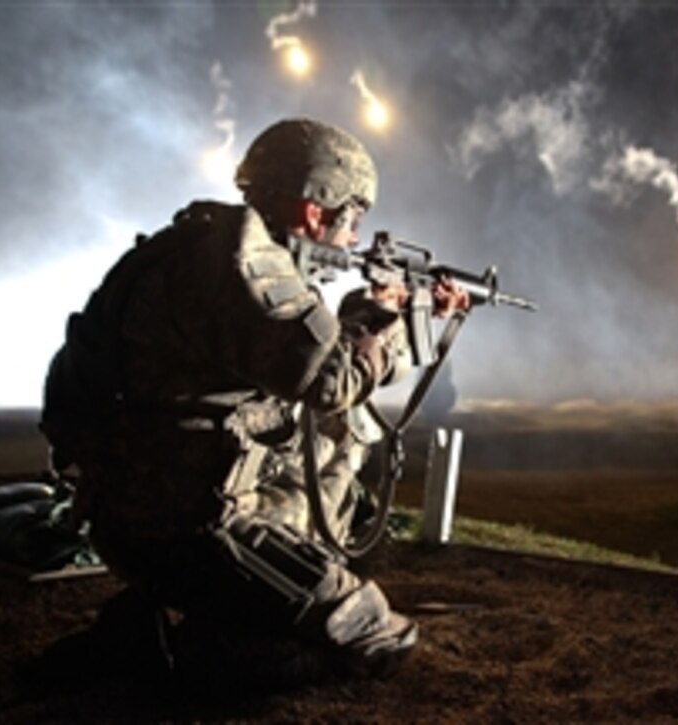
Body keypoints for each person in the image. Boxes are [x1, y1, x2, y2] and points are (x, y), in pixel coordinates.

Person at [39, 118, 468, 693]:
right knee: (375, 637)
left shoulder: (194, 246)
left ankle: (173, 618)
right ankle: (162, 658)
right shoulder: (244, 261)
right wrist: (389, 321)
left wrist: (372, 316)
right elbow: (330, 381)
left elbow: (296, 368)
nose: (352, 242)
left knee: (342, 428)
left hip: (132, 512)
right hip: (190, 528)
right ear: (316, 211)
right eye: (352, 221)